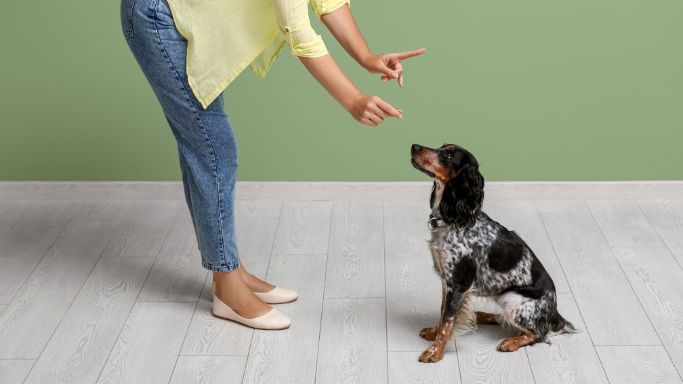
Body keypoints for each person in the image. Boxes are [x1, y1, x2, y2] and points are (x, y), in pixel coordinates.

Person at [120, 0, 424, 329]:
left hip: (179, 12)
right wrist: (351, 98)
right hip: (157, 15)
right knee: (213, 147)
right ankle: (227, 287)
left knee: (204, 143)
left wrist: (366, 57)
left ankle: (231, 270)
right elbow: (295, 26)